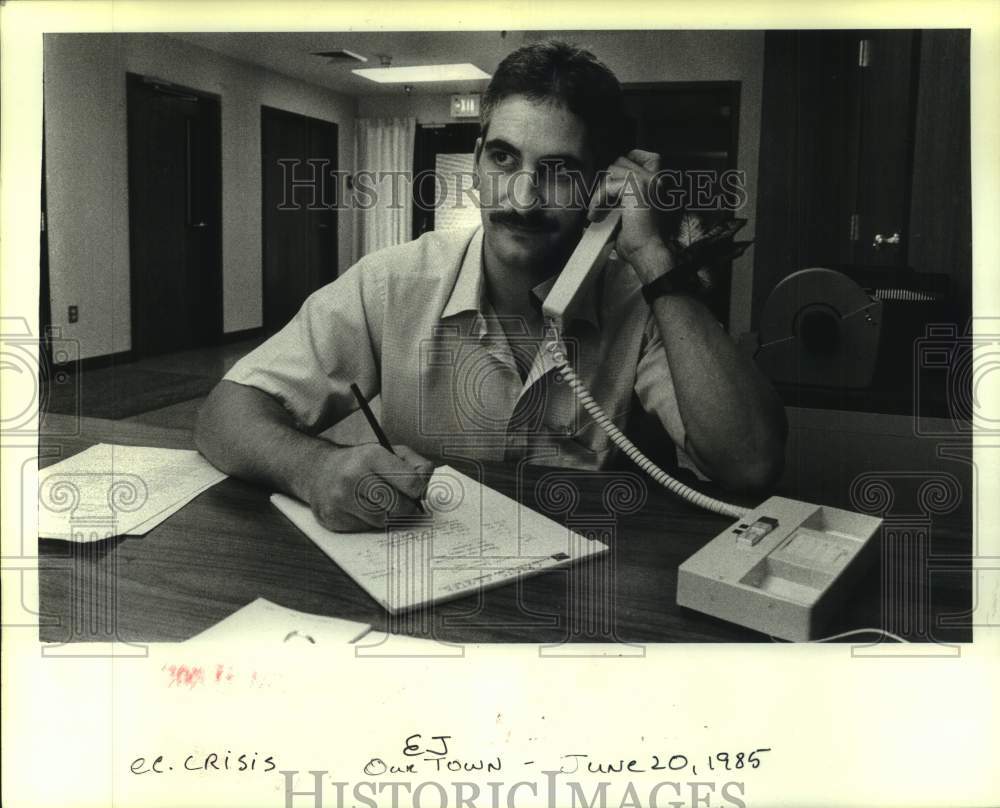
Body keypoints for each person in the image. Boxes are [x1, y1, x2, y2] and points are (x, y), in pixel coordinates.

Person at [195, 40, 787, 532]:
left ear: (604, 187)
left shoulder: (642, 299)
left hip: (577, 590)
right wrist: (314, 468)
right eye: (503, 159)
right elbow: (224, 414)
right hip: (419, 569)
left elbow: (751, 465)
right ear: (477, 165)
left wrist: (653, 256)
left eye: (558, 171)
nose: (522, 197)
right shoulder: (394, 281)